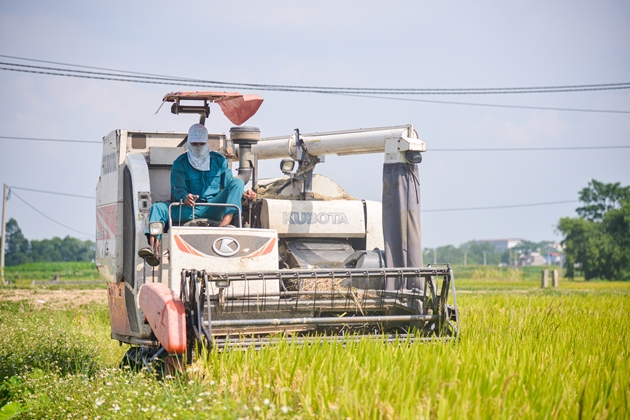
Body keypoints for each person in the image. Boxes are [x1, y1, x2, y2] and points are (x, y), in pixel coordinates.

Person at [138, 123, 256, 266]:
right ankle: (154, 251)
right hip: (190, 208)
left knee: (238, 183)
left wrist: (245, 193)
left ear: (207, 142)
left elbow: (230, 186)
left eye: (202, 143)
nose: (198, 147)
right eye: (195, 144)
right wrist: (185, 197)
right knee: (158, 208)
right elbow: (177, 189)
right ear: (189, 143)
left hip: (215, 206)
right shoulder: (180, 163)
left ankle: (224, 227)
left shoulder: (219, 161)